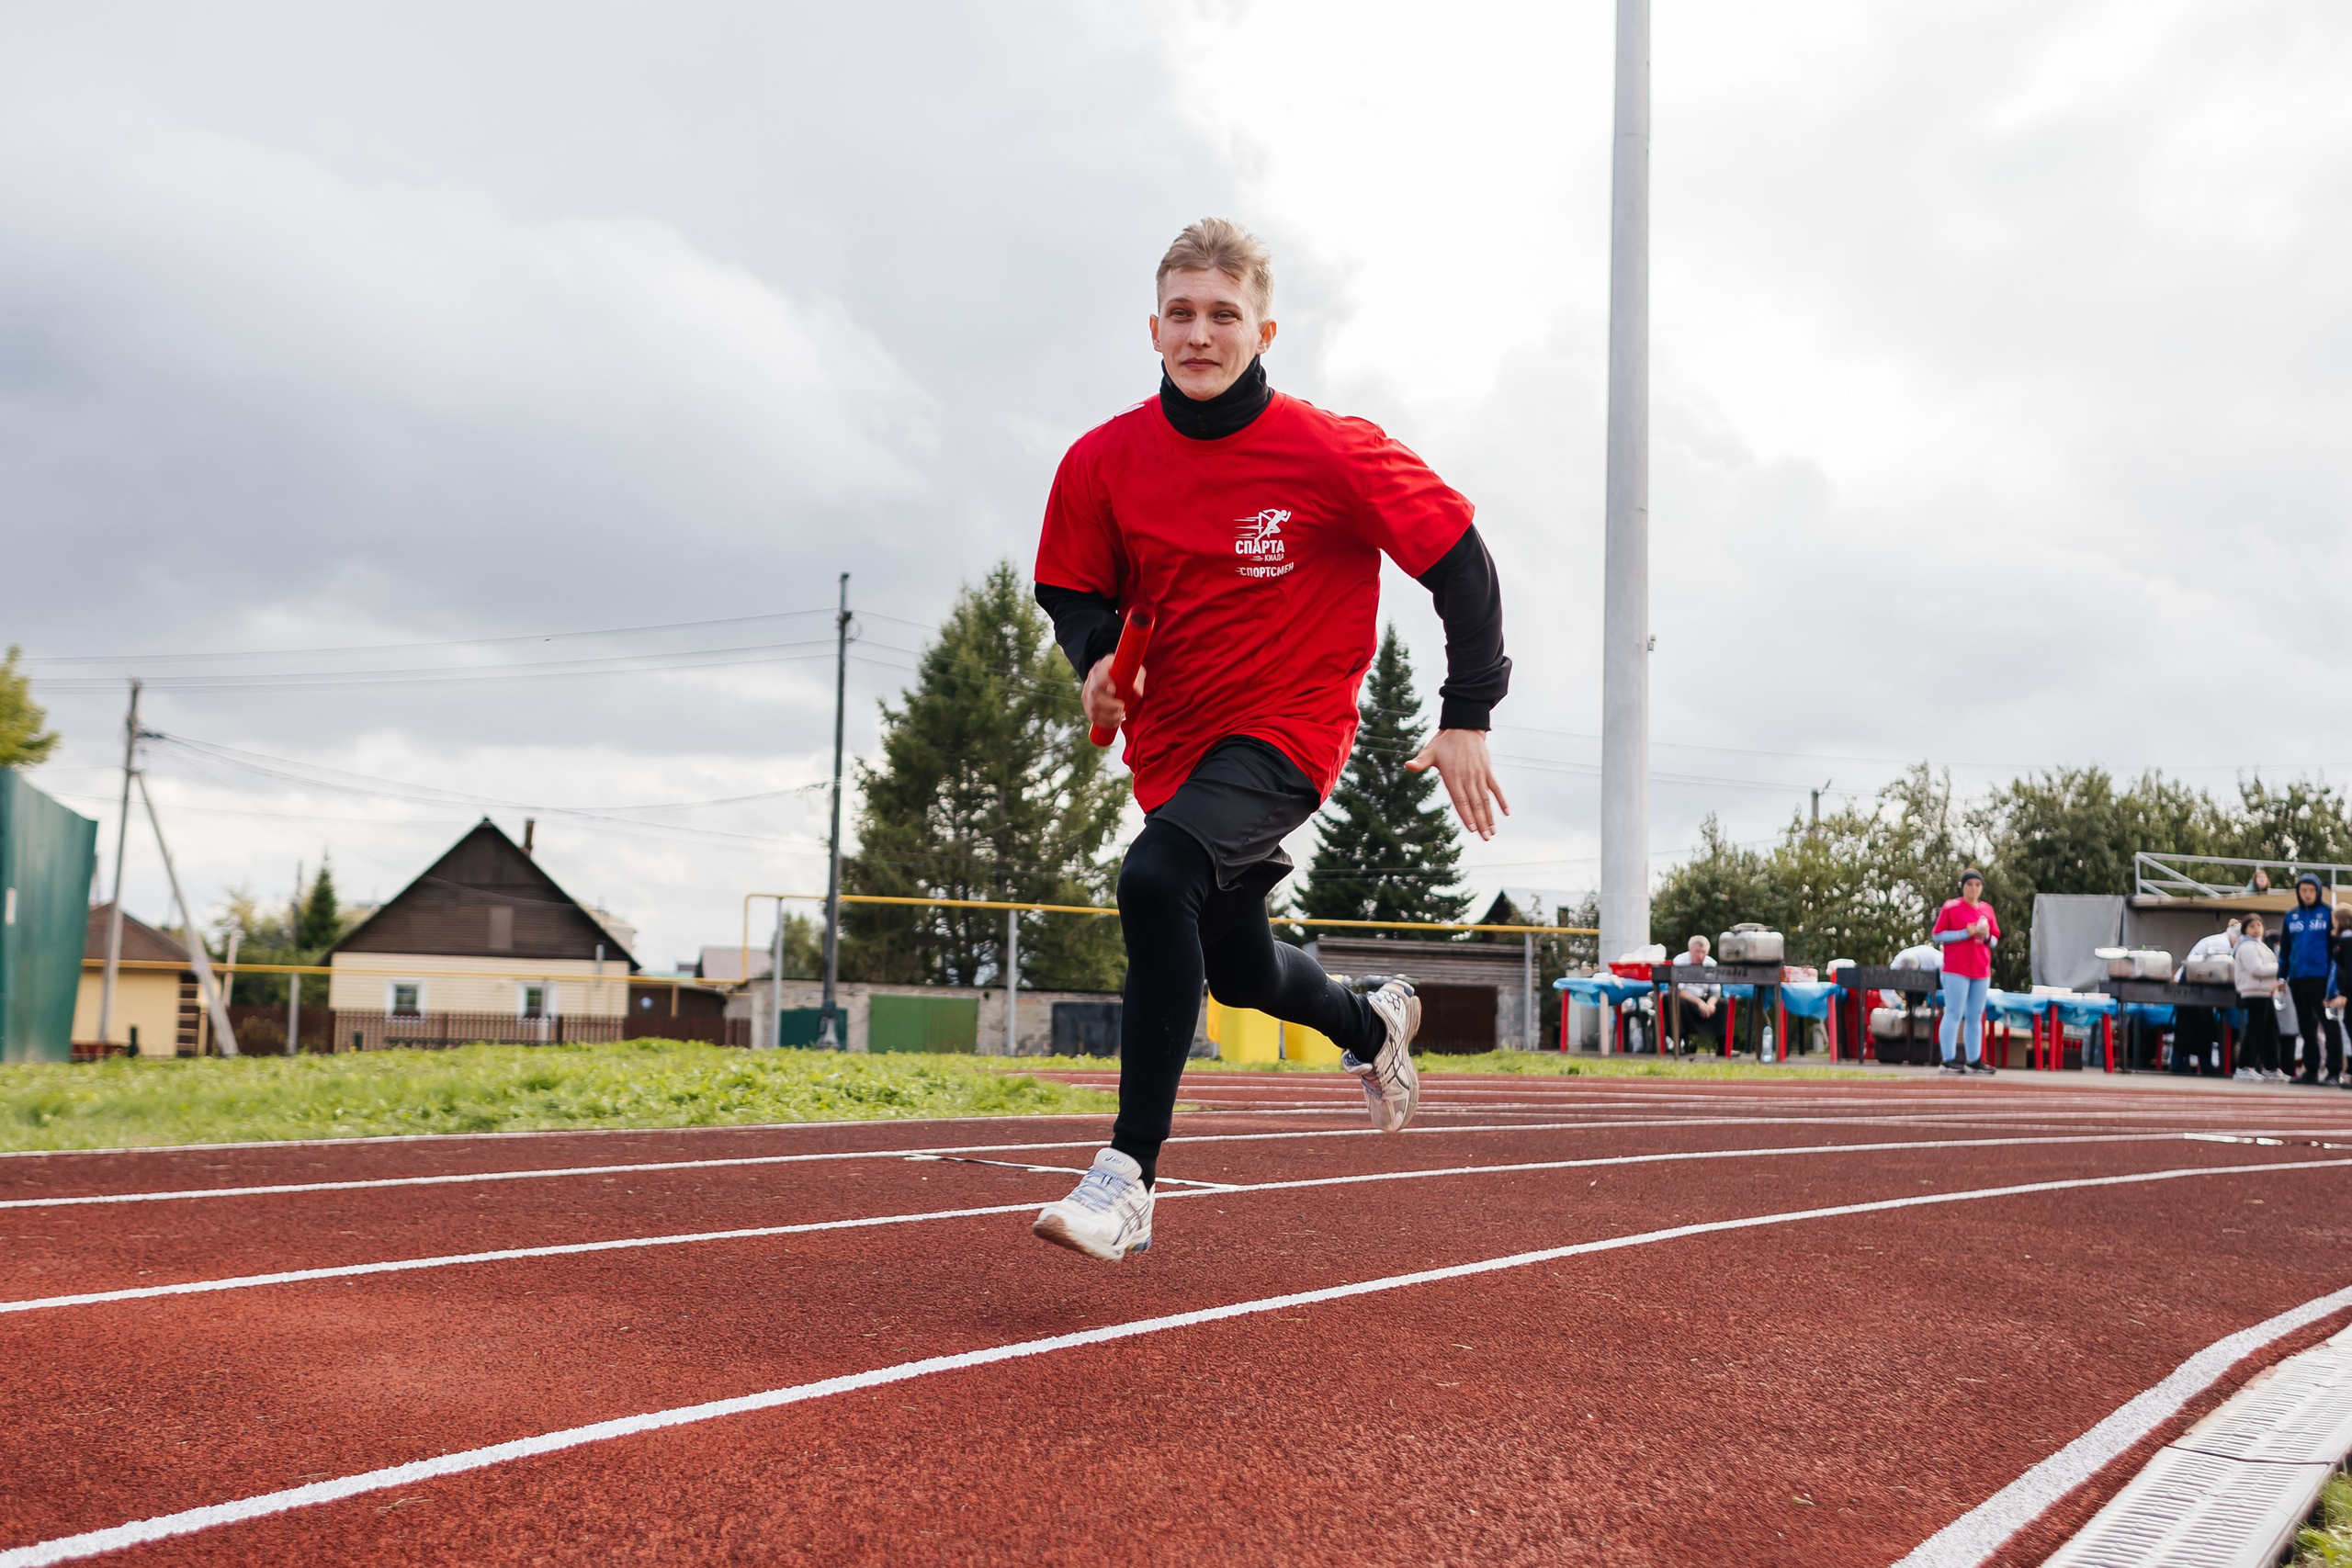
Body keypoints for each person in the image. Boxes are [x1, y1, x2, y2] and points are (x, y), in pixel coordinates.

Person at [1027, 219, 1511, 1261]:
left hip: (1288, 730)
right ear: (1153, 326)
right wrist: (1101, 660)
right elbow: (1069, 587)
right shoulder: (1102, 461)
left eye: (1224, 316)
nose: (1201, 335)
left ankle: (1126, 1178)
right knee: (1236, 969)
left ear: (1264, 329)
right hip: (1176, 745)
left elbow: (1463, 566)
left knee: (1156, 878)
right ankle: (1368, 1024)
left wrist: (1466, 712)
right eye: (1183, 315)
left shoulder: (1331, 450)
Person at [1929, 871, 1999, 1075]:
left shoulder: (1987, 909)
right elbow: (1937, 935)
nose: (1974, 889)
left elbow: (1994, 940)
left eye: (1978, 885)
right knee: (1953, 1012)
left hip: (1980, 969)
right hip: (1955, 969)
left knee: (1976, 1015)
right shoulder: (1951, 907)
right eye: (1970, 884)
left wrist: (1985, 936)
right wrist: (1963, 933)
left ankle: (1974, 1059)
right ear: (1962, 886)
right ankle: (1948, 1059)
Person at [2280, 874, 2335, 1085]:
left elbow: (2334, 949)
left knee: (2328, 1023)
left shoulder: (2328, 913)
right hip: (2297, 978)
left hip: (2322, 978)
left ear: (2318, 891)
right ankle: (2310, 1069)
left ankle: (2333, 1069)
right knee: (2305, 1026)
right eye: (2303, 890)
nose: (2307, 894)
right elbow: (2285, 950)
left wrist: (2335, 981)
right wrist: (2281, 976)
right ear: (2298, 891)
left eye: (2311, 890)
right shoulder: (2291, 916)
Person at [2172, 920, 2239, 1077]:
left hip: (2201, 986)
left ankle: (2196, 1063)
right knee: (2192, 1027)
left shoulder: (2221, 942)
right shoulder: (2219, 944)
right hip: (2192, 985)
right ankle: (2184, 1063)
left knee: (2202, 1027)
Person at [2232, 913, 2284, 1082]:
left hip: (2264, 991)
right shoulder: (2247, 946)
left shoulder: (2259, 945)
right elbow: (2257, 969)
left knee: (2270, 1030)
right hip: (2254, 991)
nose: (2256, 929)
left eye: (2258, 926)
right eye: (2252, 926)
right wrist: (2280, 967)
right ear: (2245, 929)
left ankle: (2270, 1067)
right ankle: (2244, 1066)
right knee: (2256, 1029)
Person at [1667, 934, 1722, 1052]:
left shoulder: (1712, 964)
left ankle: (1723, 1047)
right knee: (1678, 1003)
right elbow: (1677, 990)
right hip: (1686, 999)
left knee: (1723, 1005)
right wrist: (1700, 1003)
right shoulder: (1679, 962)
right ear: (1690, 950)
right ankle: (1679, 1043)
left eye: (1703, 952)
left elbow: (1715, 991)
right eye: (1697, 952)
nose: (1700, 956)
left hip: (1703, 999)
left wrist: (1711, 1005)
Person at [2325, 903, 2352, 1089]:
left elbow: (2348, 971)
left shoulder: (2347, 942)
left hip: (2349, 994)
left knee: (2350, 1032)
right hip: (2345, 992)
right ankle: (2350, 1071)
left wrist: (2343, 994)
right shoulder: (2342, 942)